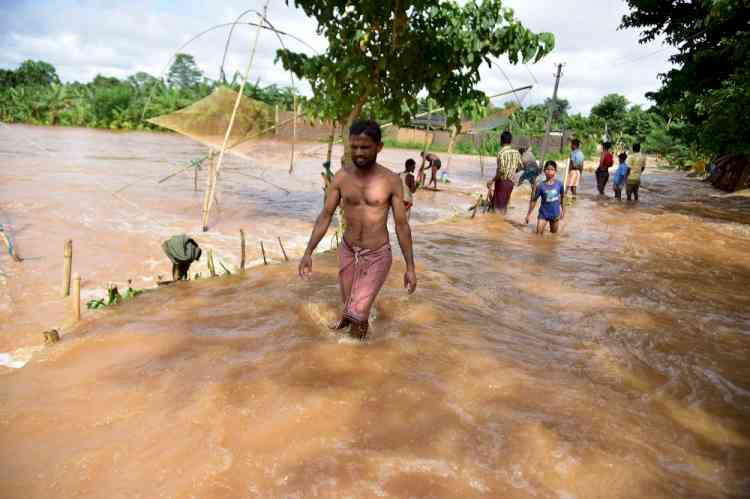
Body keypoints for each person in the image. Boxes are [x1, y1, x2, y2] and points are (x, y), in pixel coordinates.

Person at [298, 120, 417, 340]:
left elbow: (401, 225)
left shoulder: (391, 181)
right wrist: (308, 253)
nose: (359, 153)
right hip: (347, 251)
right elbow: (325, 215)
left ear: (379, 147)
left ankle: (353, 357)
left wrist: (410, 267)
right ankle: (355, 339)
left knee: (358, 313)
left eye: (365, 147)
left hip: (377, 254)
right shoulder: (341, 178)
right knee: (349, 307)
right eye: (354, 147)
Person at [486, 130, 522, 214]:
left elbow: (501, 171)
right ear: (510, 141)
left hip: (502, 182)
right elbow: (520, 167)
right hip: (511, 183)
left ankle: (497, 224)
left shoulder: (501, 153)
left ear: (501, 141)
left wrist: (492, 180)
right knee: (504, 206)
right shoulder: (516, 152)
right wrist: (512, 171)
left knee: (497, 209)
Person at [525, 160, 565, 234]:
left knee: (553, 236)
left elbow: (562, 198)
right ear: (544, 171)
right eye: (547, 169)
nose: (549, 171)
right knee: (538, 234)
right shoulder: (540, 186)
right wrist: (528, 214)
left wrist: (563, 212)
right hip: (543, 214)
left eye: (552, 169)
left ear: (555, 171)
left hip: (555, 214)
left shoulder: (559, 184)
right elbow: (534, 200)